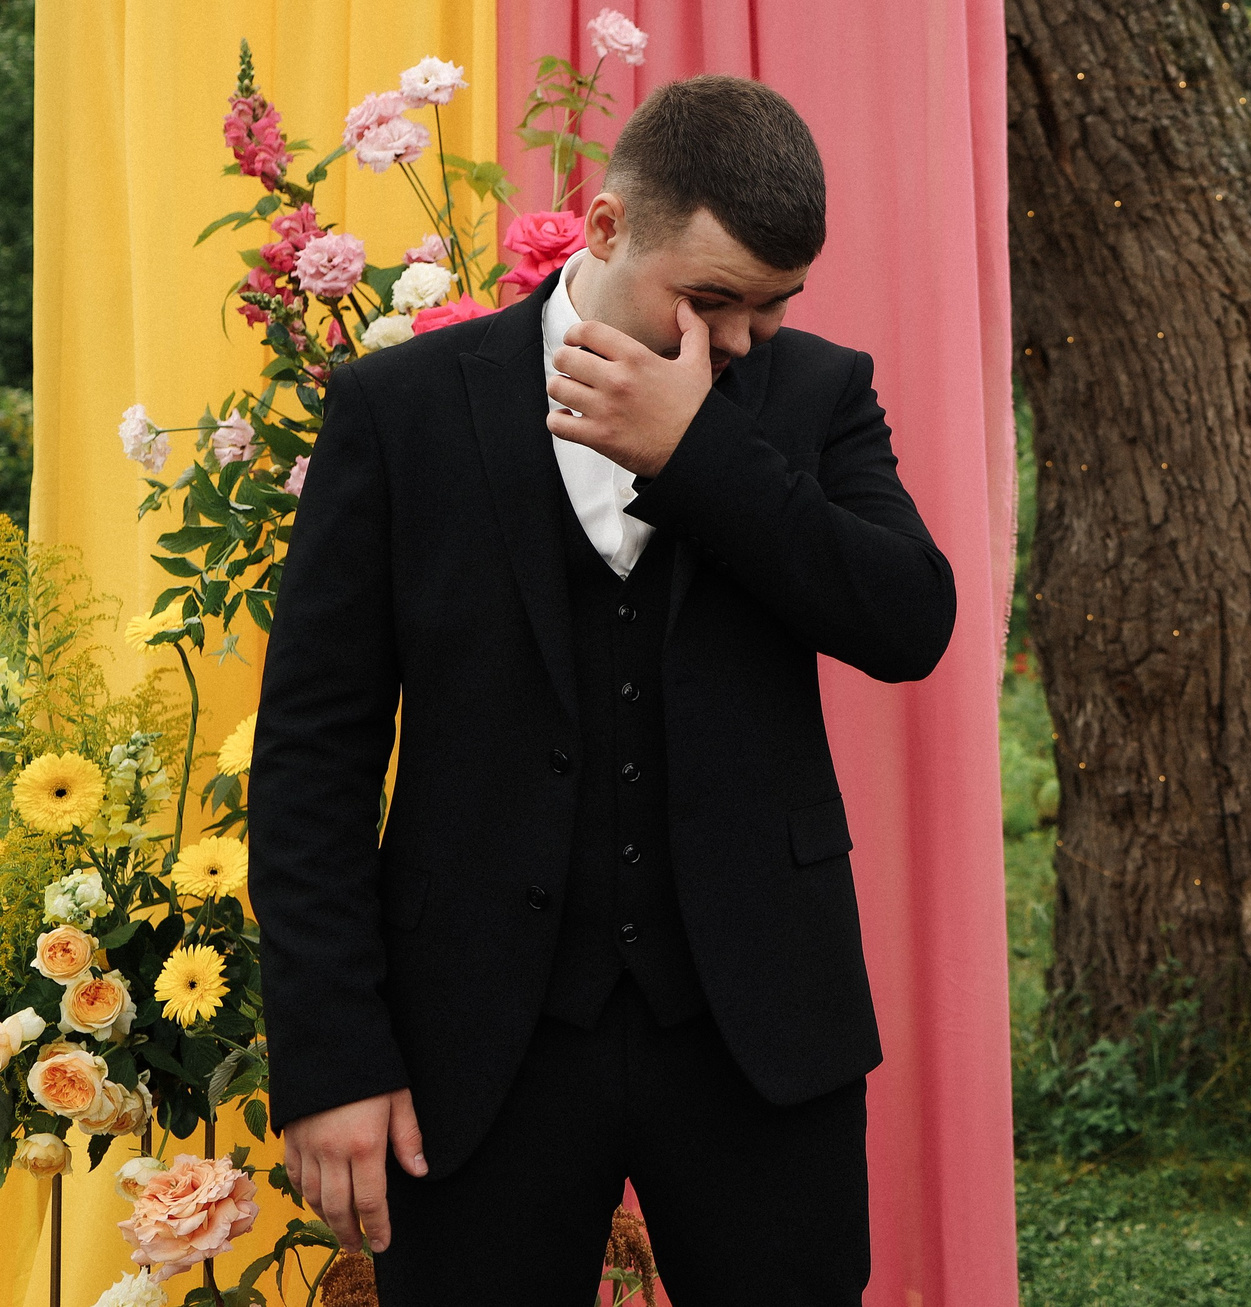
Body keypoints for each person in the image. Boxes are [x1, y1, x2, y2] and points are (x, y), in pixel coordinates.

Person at [248, 73, 956, 1304]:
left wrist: (703, 457)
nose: (738, 340)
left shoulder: (813, 395)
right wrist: (331, 1056)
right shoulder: (401, 413)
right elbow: (315, 755)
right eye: (711, 301)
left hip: (759, 1039)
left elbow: (909, 622)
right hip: (475, 1045)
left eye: (772, 306)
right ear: (609, 227)